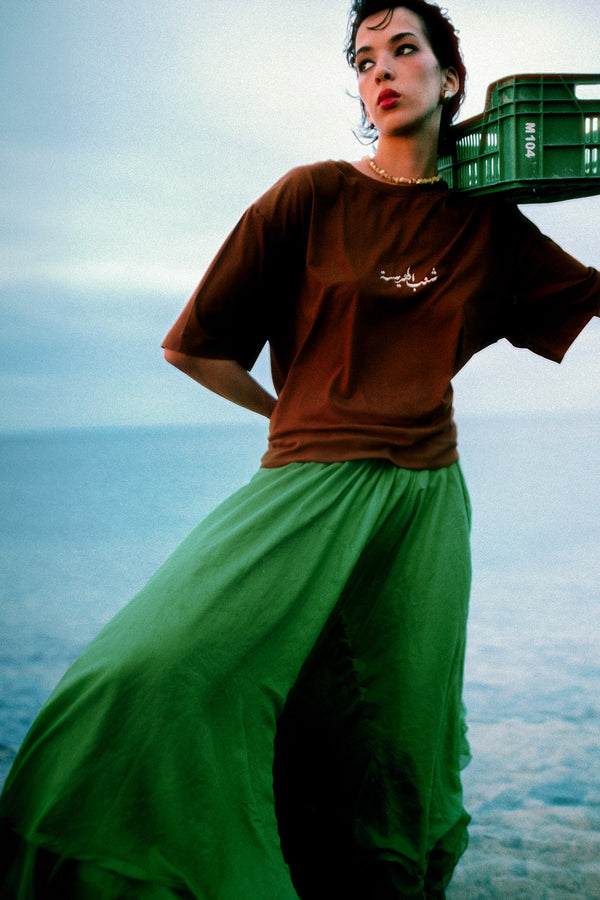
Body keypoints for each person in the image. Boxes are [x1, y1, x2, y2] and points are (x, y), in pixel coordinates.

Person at [1, 1, 599, 897]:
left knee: (393, 737)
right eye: (365, 61)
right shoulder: (310, 194)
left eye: (404, 51)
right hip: (308, 483)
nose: (383, 72)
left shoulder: (489, 223)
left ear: (452, 79)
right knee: (149, 670)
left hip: (426, 502)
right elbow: (193, 346)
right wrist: (295, 411)